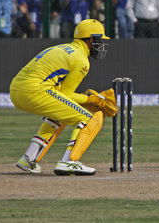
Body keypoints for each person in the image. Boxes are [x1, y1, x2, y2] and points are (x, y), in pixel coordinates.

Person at [11, 18, 115, 176]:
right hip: (35, 91)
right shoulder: (81, 60)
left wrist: (87, 98)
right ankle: (69, 161)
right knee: (89, 119)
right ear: (90, 39)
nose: (100, 45)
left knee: (59, 114)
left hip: (16, 90)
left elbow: (61, 95)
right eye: (99, 40)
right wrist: (90, 100)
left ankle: (29, 158)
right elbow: (66, 95)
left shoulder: (62, 48)